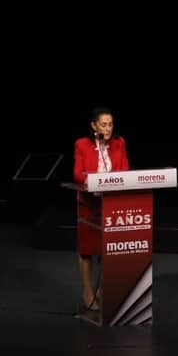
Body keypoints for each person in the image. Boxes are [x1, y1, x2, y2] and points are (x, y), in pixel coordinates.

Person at [72, 106, 128, 311]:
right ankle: (87, 292)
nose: (108, 128)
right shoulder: (82, 144)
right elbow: (78, 174)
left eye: (110, 124)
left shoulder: (119, 143)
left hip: (111, 203)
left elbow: (124, 170)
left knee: (107, 250)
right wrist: (96, 181)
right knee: (87, 251)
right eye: (103, 124)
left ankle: (102, 291)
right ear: (94, 125)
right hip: (89, 203)